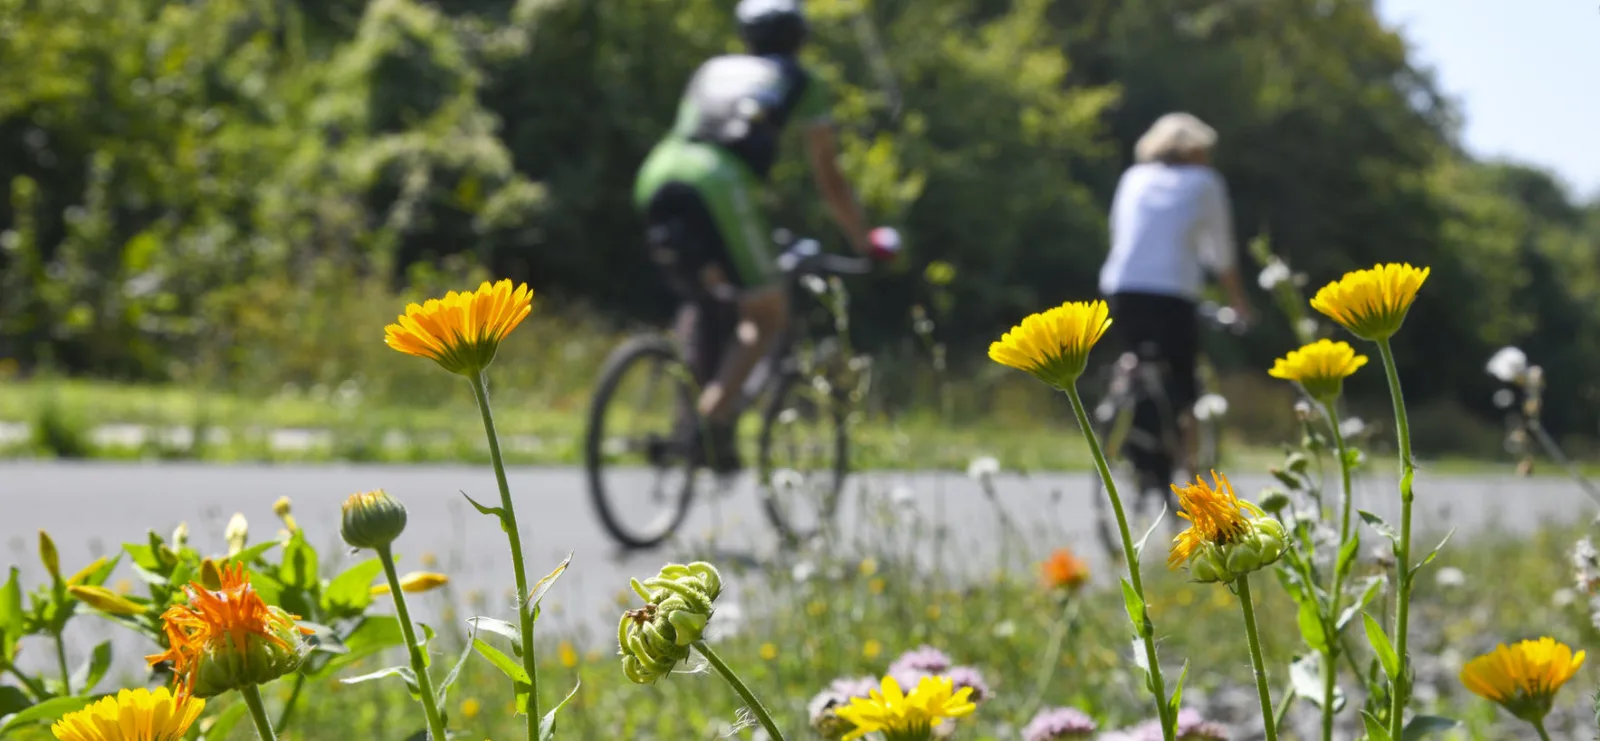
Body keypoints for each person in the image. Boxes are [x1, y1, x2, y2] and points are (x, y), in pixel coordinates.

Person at [634, 0, 884, 472]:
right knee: (767, 313)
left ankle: (693, 410)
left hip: (659, 171)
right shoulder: (802, 80)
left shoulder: (713, 68)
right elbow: (828, 175)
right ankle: (710, 422)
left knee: (710, 295)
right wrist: (861, 239)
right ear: (800, 38)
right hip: (722, 183)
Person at [1099, 112, 1252, 485]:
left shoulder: (1133, 177)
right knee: (1185, 387)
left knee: (1138, 361)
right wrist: (1239, 305)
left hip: (1123, 288)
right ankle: (1189, 475)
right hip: (1173, 295)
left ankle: (1123, 398)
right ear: (1198, 150)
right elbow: (1222, 255)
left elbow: (1120, 233)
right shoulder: (1205, 182)